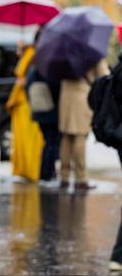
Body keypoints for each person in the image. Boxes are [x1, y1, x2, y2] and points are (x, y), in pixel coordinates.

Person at [58, 60, 109, 190]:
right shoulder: (90, 52)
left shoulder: (63, 52)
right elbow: (104, 75)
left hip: (65, 97)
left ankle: (64, 176)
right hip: (82, 96)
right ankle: (81, 178)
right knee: (80, 136)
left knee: (67, 138)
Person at [5, 42, 45, 182]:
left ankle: (29, 169)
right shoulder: (29, 55)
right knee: (24, 139)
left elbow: (25, 77)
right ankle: (26, 169)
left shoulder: (31, 55)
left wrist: (24, 81)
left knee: (28, 139)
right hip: (24, 103)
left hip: (25, 103)